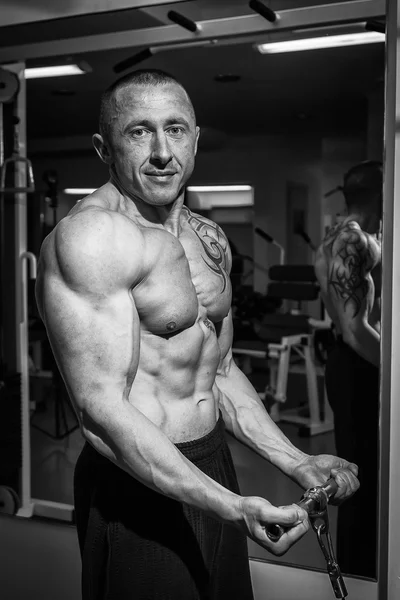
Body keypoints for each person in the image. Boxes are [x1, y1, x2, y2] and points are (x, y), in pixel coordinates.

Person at [35, 69, 359, 599]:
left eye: (176, 129)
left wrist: (295, 460)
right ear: (103, 147)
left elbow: (220, 370)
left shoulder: (207, 237)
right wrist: (233, 506)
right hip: (134, 482)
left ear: (196, 137)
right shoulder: (92, 239)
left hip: (212, 463)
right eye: (139, 132)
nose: (163, 151)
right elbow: (100, 411)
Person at [314, 160, 382, 578]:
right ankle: (358, 579)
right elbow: (356, 329)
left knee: (371, 481)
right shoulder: (349, 241)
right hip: (356, 367)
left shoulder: (359, 237)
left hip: (357, 363)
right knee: (359, 482)